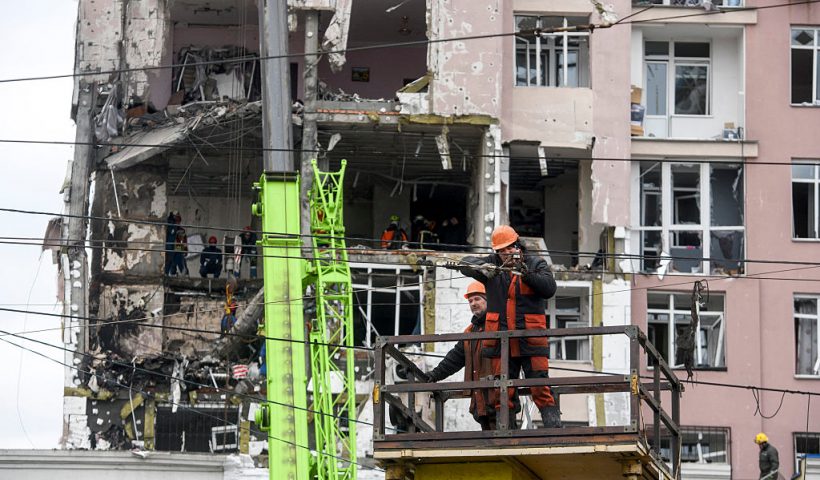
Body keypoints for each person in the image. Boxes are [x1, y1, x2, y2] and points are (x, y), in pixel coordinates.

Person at [450, 225, 561, 428]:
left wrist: (525, 274)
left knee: (539, 382)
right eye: (501, 250)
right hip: (502, 340)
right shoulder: (492, 265)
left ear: (517, 246)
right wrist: (479, 268)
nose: (505, 253)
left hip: (530, 337)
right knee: (502, 386)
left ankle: (553, 425)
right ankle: (506, 428)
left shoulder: (535, 263)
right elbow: (465, 263)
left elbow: (549, 288)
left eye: (509, 248)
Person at [425, 281, 519, 430]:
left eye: (477, 299)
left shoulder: (501, 325)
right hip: (481, 402)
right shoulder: (469, 333)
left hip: (501, 400)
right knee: (490, 447)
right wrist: (434, 375)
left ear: (488, 300)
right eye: (470, 301)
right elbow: (454, 359)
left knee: (506, 443)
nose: (473, 303)